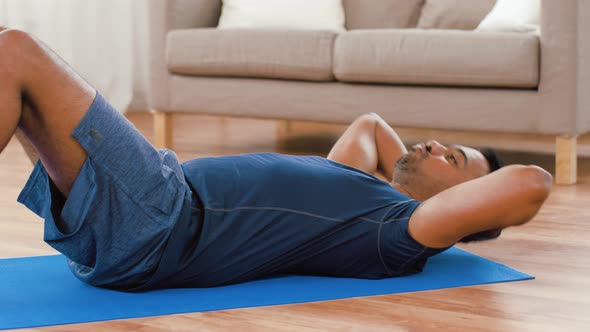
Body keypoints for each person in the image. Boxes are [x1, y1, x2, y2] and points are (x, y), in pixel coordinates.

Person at [0, 28, 553, 291]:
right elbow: (370, 126)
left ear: (458, 203)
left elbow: (531, 181)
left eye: (451, 158)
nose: (430, 144)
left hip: (161, 218)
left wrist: (460, 209)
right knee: (9, 55)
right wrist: (425, 168)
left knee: (16, 52)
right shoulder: (359, 187)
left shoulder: (396, 231)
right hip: (136, 220)